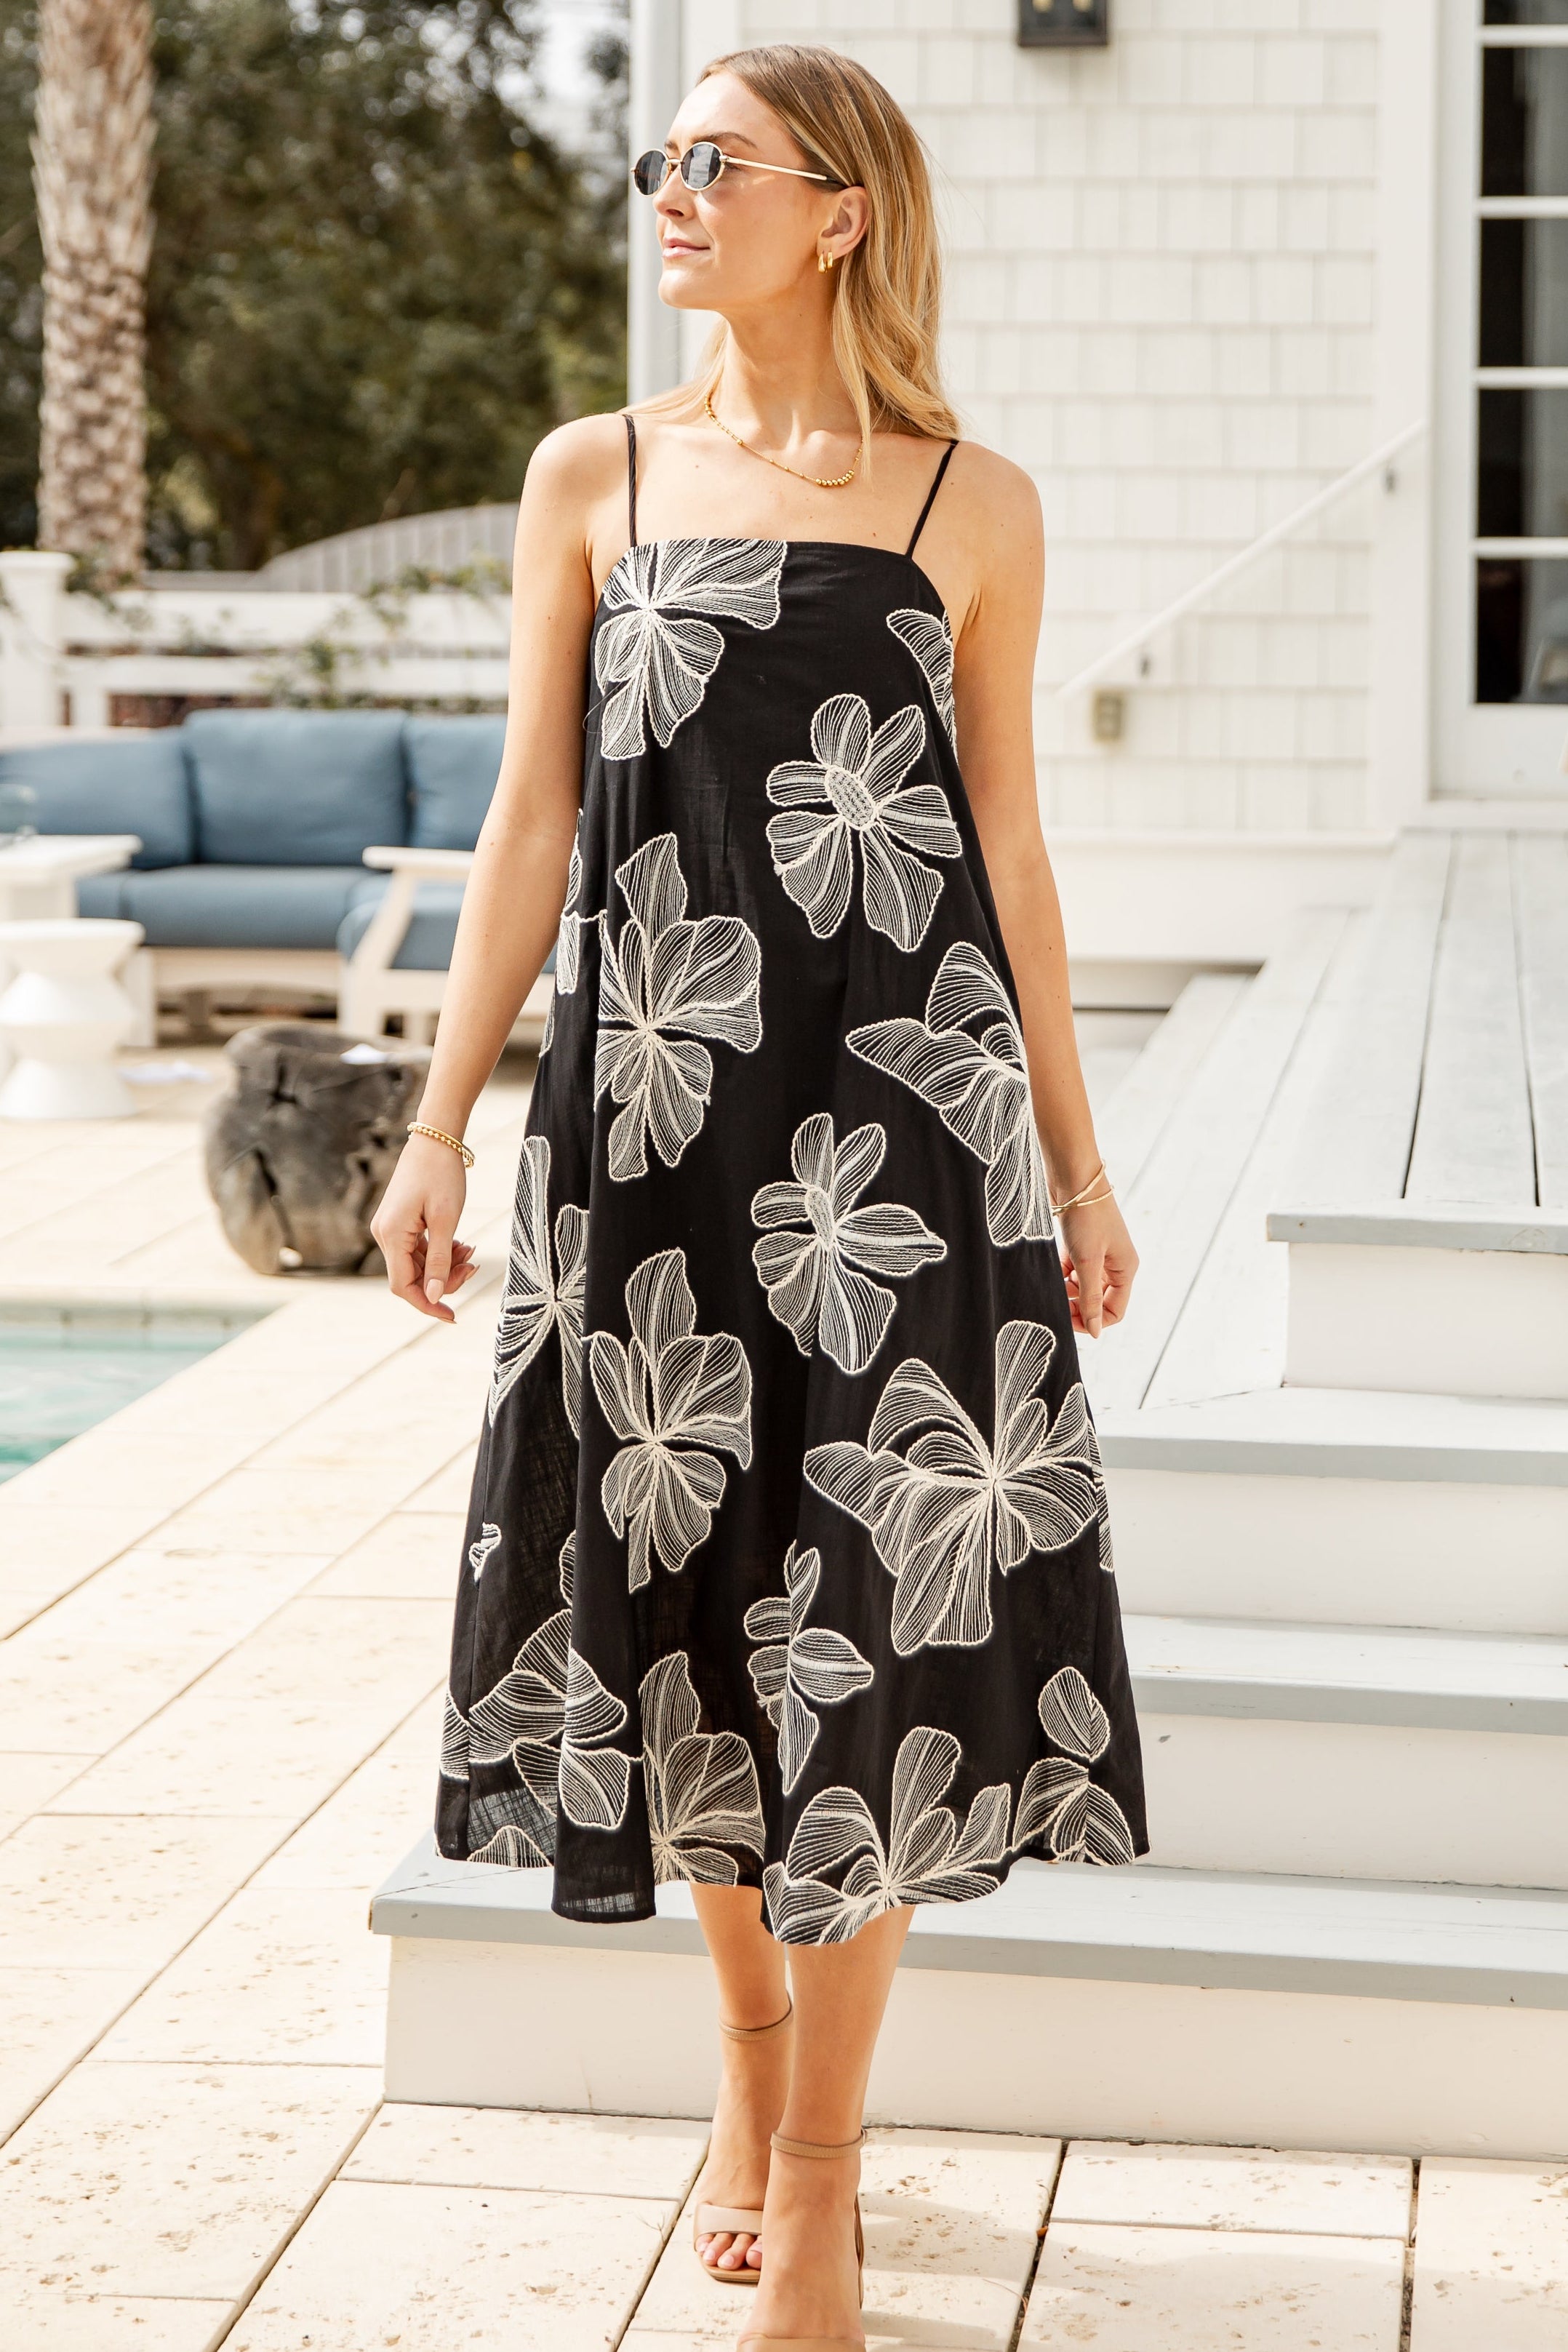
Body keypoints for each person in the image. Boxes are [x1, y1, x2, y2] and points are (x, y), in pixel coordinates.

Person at [372, 42, 1146, 2352]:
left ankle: (818, 2176)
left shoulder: (968, 502)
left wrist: (1078, 1168)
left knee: (875, 1618)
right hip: (648, 1137)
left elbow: (1006, 851)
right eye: (662, 160)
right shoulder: (591, 474)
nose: (669, 194)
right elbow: (530, 821)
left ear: (839, 210)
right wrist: (432, 1120)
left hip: (902, 1134)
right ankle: (746, 2078)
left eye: (712, 162)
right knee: (679, 1591)